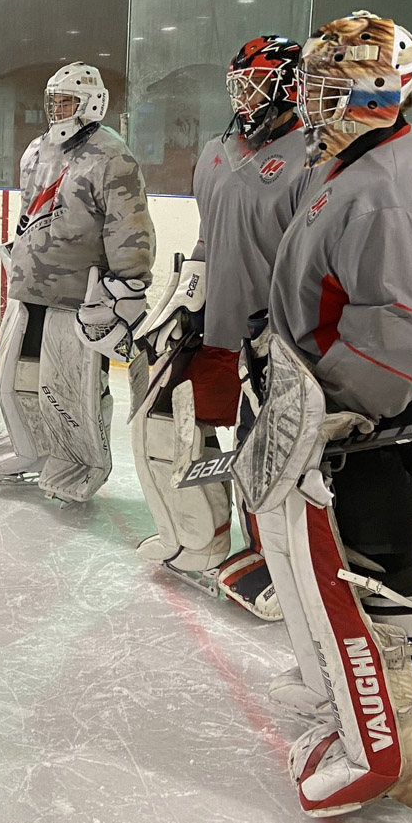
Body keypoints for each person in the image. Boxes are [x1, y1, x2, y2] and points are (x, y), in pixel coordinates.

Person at [254, 10, 412, 814]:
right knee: (367, 566)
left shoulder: (378, 185)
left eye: (328, 84)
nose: (309, 100)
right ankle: (383, 722)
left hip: (383, 404)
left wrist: (342, 404)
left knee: (372, 570)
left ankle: (405, 752)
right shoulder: (389, 151)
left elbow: (408, 327)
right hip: (381, 390)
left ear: (380, 88)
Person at [133, 36, 307, 620]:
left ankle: (274, 560)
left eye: (255, 82)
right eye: (237, 84)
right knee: (177, 429)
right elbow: (210, 236)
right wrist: (183, 299)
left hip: (276, 338)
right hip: (214, 326)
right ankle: (202, 539)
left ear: (286, 87)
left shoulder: (313, 156)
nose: (242, 95)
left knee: (267, 453)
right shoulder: (215, 150)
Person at [0, 63, 155, 503]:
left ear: (93, 103)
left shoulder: (112, 156)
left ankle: (80, 459)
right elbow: (28, 216)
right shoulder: (36, 151)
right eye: (54, 100)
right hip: (29, 290)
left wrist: (129, 284)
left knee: (70, 386)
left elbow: (127, 225)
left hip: (78, 295)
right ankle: (32, 446)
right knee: (17, 376)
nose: (57, 110)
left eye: (67, 101)